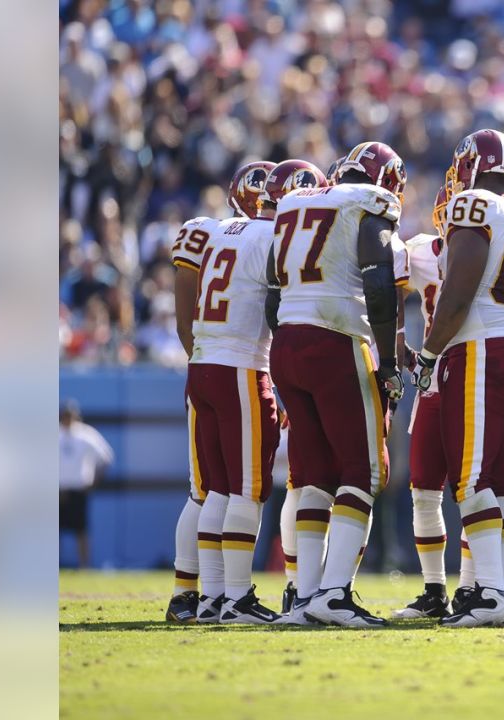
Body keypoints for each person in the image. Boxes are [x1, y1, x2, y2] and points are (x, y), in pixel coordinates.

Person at [412, 129, 504, 628]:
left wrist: (429, 352)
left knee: (470, 481)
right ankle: (497, 588)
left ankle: (490, 593)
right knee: (494, 481)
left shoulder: (472, 204)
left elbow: (460, 289)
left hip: (480, 347)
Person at [269, 147, 407, 628]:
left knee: (314, 476)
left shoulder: (295, 203)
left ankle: (306, 596)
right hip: (336, 338)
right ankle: (334, 593)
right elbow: (380, 284)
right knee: (366, 471)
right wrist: (388, 362)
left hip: (286, 341)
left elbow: (273, 287)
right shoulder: (368, 203)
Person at [165, 162, 272, 623]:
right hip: (239, 365)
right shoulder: (266, 236)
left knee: (210, 492)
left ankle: (201, 597)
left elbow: (184, 318)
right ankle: (233, 598)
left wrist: (201, 355)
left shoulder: (207, 231)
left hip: (203, 364)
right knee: (241, 490)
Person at [394, 187, 455, 620]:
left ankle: (477, 585)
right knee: (423, 491)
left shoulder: (499, 244)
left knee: (478, 490)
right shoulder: (420, 251)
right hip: (434, 382)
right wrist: (401, 342)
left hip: (477, 371)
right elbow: (387, 281)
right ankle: (435, 590)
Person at [59, 399, 113, 569]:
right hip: (57, 491)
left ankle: (84, 565)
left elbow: (106, 457)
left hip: (78, 490)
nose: (68, 418)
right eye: (65, 415)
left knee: (81, 530)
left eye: (70, 415)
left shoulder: (86, 434)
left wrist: (94, 482)